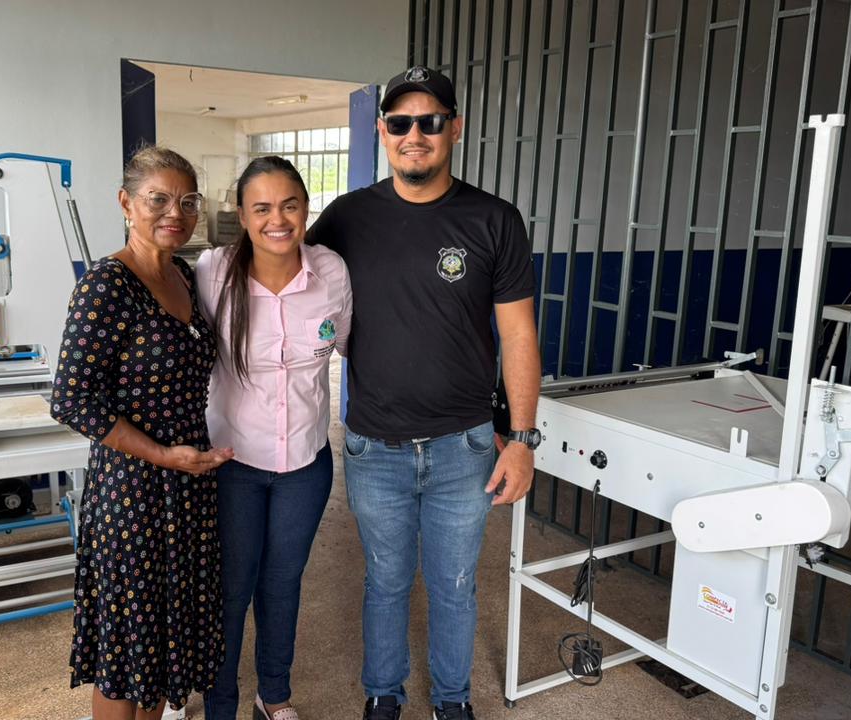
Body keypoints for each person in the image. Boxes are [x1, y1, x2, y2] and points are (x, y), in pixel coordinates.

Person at [306, 66, 542, 720]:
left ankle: (452, 701)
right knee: (383, 582)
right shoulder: (346, 219)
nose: (415, 135)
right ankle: (383, 696)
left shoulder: (493, 220)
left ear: (454, 129)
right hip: (373, 445)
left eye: (430, 121)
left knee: (456, 586)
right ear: (383, 132)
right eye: (401, 122)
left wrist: (520, 440)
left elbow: (518, 336)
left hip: (463, 446)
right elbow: (296, 296)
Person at [50, 145, 233, 720]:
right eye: (158, 198)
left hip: (188, 486)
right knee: (129, 649)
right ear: (126, 203)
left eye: (186, 200)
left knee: (161, 647)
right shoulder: (107, 286)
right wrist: (161, 454)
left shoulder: (183, 275)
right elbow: (71, 398)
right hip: (133, 490)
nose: (173, 212)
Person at [195, 156, 352, 720]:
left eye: (290, 205)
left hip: (306, 463)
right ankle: (219, 704)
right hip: (233, 461)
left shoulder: (331, 271)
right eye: (261, 207)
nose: (277, 219)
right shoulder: (211, 272)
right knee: (232, 590)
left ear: (306, 209)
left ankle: (274, 695)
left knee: (283, 583)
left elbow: (349, 346)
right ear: (242, 214)